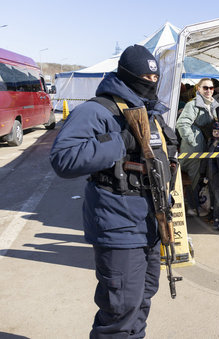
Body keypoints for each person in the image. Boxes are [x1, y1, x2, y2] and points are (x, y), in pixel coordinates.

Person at [50, 45, 178, 338]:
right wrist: (119, 141)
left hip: (151, 223)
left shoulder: (151, 111)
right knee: (120, 308)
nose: (151, 81)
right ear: (128, 75)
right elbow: (63, 159)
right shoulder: (97, 110)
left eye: (155, 76)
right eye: (145, 76)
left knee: (142, 300)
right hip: (117, 225)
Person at [176, 78, 219, 216]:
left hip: (209, 147)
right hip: (193, 149)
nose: (208, 91)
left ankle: (204, 206)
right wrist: (192, 141)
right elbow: (182, 124)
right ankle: (192, 206)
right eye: (205, 88)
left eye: (211, 88)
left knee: (205, 176)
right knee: (193, 177)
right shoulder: (192, 105)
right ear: (198, 89)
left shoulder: (215, 105)